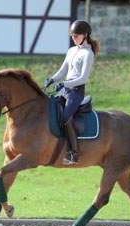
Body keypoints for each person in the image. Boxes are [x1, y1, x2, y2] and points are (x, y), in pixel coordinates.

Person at [45, 19, 100, 165]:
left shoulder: (88, 54)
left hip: (76, 92)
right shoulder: (71, 51)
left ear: (85, 35)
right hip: (65, 90)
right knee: (51, 110)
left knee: (65, 118)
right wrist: (52, 79)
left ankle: (73, 153)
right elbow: (63, 70)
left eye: (76, 36)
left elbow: (83, 78)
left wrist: (64, 83)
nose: (73, 38)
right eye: (72, 36)